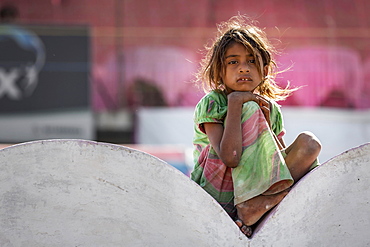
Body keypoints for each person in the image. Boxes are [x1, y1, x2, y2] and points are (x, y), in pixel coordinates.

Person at [191, 15, 321, 238]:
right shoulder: (213, 102)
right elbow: (229, 157)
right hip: (218, 192)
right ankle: (249, 206)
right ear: (219, 71)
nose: (243, 68)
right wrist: (235, 103)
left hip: (258, 190)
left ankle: (256, 206)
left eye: (252, 61)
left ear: (264, 68)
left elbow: (277, 165)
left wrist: (267, 124)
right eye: (233, 62)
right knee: (249, 109)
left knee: (309, 144)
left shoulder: (271, 108)